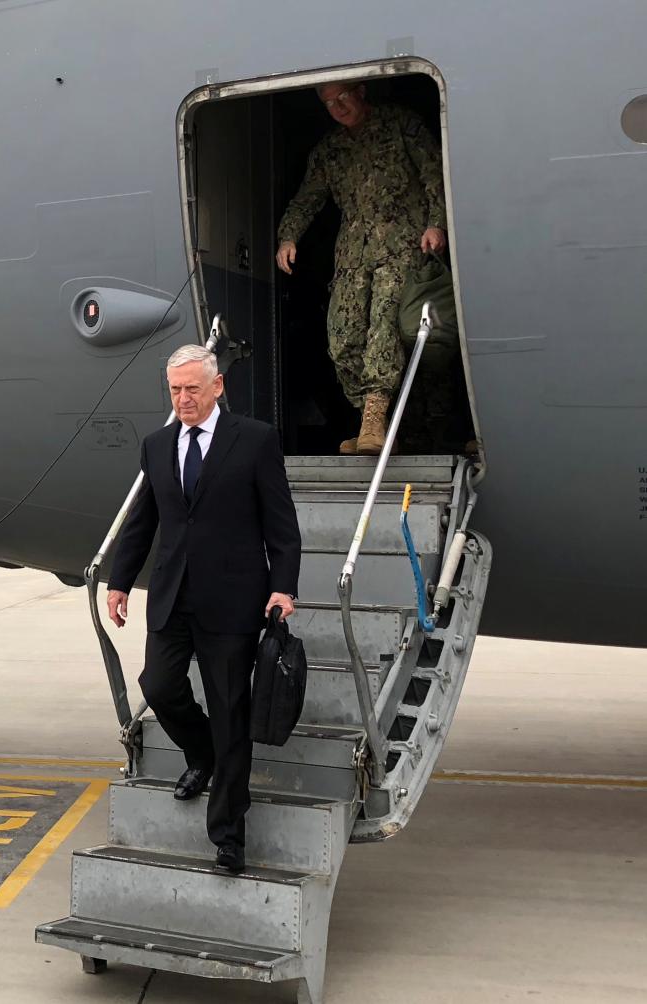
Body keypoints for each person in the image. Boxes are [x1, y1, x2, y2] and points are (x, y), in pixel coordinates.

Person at [105, 345, 301, 873]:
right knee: (159, 686)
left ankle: (228, 834)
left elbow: (281, 524)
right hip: (172, 596)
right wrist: (119, 581)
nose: (184, 399)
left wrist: (283, 587)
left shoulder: (255, 441)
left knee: (231, 713)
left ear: (217, 387)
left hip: (234, 600)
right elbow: (144, 519)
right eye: (175, 390)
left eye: (193, 388)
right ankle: (202, 754)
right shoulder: (157, 445)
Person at [276, 80, 448, 455]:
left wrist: (437, 222)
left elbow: (434, 173)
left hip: (403, 244)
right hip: (353, 254)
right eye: (329, 103)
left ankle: (374, 420)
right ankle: (374, 419)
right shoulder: (330, 150)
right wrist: (288, 237)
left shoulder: (401, 124)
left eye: (343, 98)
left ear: (361, 91)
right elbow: (308, 198)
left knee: (382, 328)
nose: (338, 108)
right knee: (341, 340)